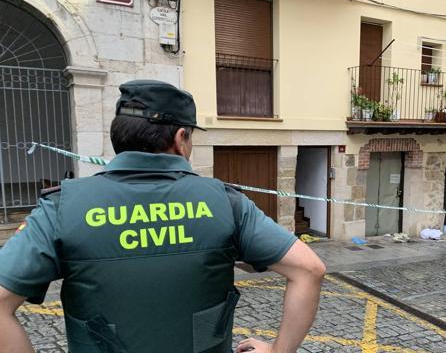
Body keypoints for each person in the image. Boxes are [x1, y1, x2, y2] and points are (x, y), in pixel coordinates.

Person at [0, 80, 326, 353]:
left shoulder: (62, 207)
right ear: (180, 138)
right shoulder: (225, 202)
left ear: (119, 137)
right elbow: (309, 269)